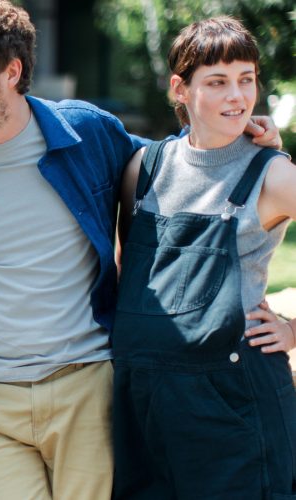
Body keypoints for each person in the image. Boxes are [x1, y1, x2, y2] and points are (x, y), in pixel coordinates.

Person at [0, 1, 283, 499]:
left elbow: (179, 165)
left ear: (12, 71)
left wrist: (238, 129)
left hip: (85, 385)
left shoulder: (86, 134)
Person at [112, 17, 295, 499]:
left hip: (234, 406)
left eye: (246, 80)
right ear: (180, 88)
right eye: (217, 82)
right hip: (144, 404)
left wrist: (295, 330)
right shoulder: (145, 167)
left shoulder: (272, 173)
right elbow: (126, 267)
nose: (237, 96)